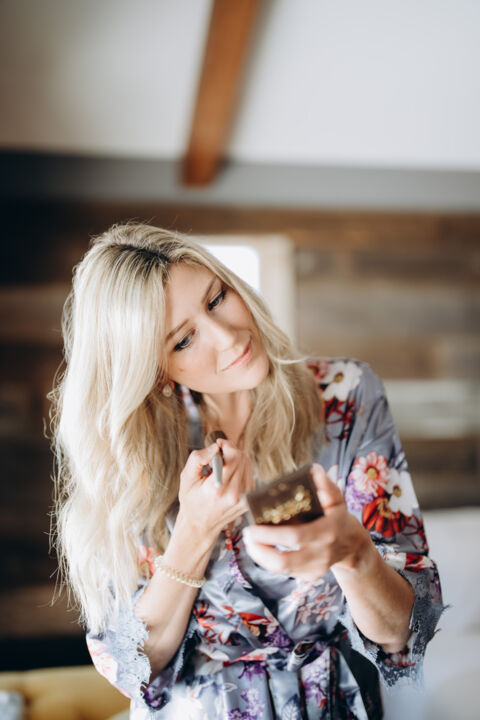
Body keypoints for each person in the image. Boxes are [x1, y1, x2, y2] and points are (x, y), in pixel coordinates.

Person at [50, 223, 445, 719]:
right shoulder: (133, 454)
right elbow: (133, 669)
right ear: (155, 372)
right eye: (184, 339)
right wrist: (194, 532)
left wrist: (354, 552)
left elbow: (404, 634)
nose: (228, 335)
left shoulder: (346, 394)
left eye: (217, 299)